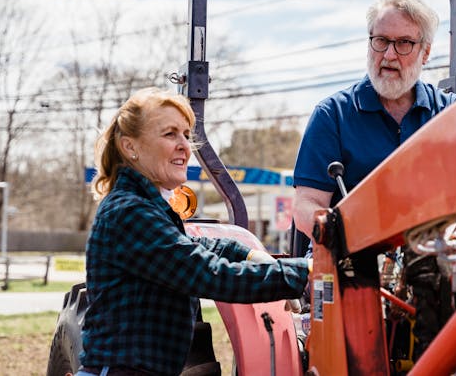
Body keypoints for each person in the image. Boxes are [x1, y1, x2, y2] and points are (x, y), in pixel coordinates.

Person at [78, 87, 310, 376]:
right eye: (170, 134)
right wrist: (305, 273)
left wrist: (250, 254)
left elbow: (193, 246)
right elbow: (207, 274)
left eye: (187, 135)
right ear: (130, 147)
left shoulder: (148, 208)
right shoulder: (128, 213)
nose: (185, 146)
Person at [293, 0, 456, 239]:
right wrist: (338, 232)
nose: (389, 55)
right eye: (381, 41)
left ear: (425, 53)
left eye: (404, 43)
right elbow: (307, 204)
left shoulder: (449, 113)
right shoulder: (332, 115)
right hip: (348, 260)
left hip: (429, 256)